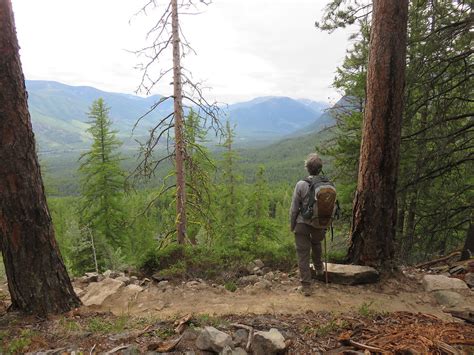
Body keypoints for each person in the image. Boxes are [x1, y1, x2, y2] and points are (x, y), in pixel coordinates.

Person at [290, 153, 326, 296]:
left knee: (303, 253)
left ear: (307, 168)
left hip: (302, 224)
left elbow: (294, 209)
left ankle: (306, 286)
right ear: (320, 169)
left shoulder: (301, 184)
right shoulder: (327, 184)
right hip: (320, 223)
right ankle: (319, 269)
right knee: (316, 244)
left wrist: (292, 225)